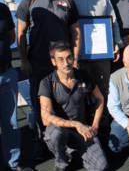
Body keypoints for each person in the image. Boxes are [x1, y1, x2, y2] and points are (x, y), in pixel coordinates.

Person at [16, 0, 81, 160]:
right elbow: (20, 32)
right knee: (39, 105)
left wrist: (75, 59)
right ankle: (40, 144)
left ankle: (67, 141)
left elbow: (76, 31)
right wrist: (24, 60)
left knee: (65, 102)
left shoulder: (68, 0)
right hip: (39, 62)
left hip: (64, 65)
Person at [68, 0, 123, 136]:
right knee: (81, 92)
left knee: (104, 90)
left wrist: (116, 43)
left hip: (102, 55)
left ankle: (104, 126)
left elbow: (113, 22)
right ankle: (83, 127)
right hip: (80, 57)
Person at [38, 41, 108, 171]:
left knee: (101, 166)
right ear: (53, 62)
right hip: (61, 129)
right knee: (55, 134)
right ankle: (61, 164)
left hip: (83, 130)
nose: (66, 63)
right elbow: (45, 117)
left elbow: (100, 98)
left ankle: (74, 150)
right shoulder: (47, 83)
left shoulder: (83, 76)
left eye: (69, 57)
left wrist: (95, 125)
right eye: (61, 59)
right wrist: (75, 124)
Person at [0, 3, 32, 171]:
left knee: (11, 123)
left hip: (6, 73)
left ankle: (12, 163)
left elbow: (12, 36)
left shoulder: (3, 9)